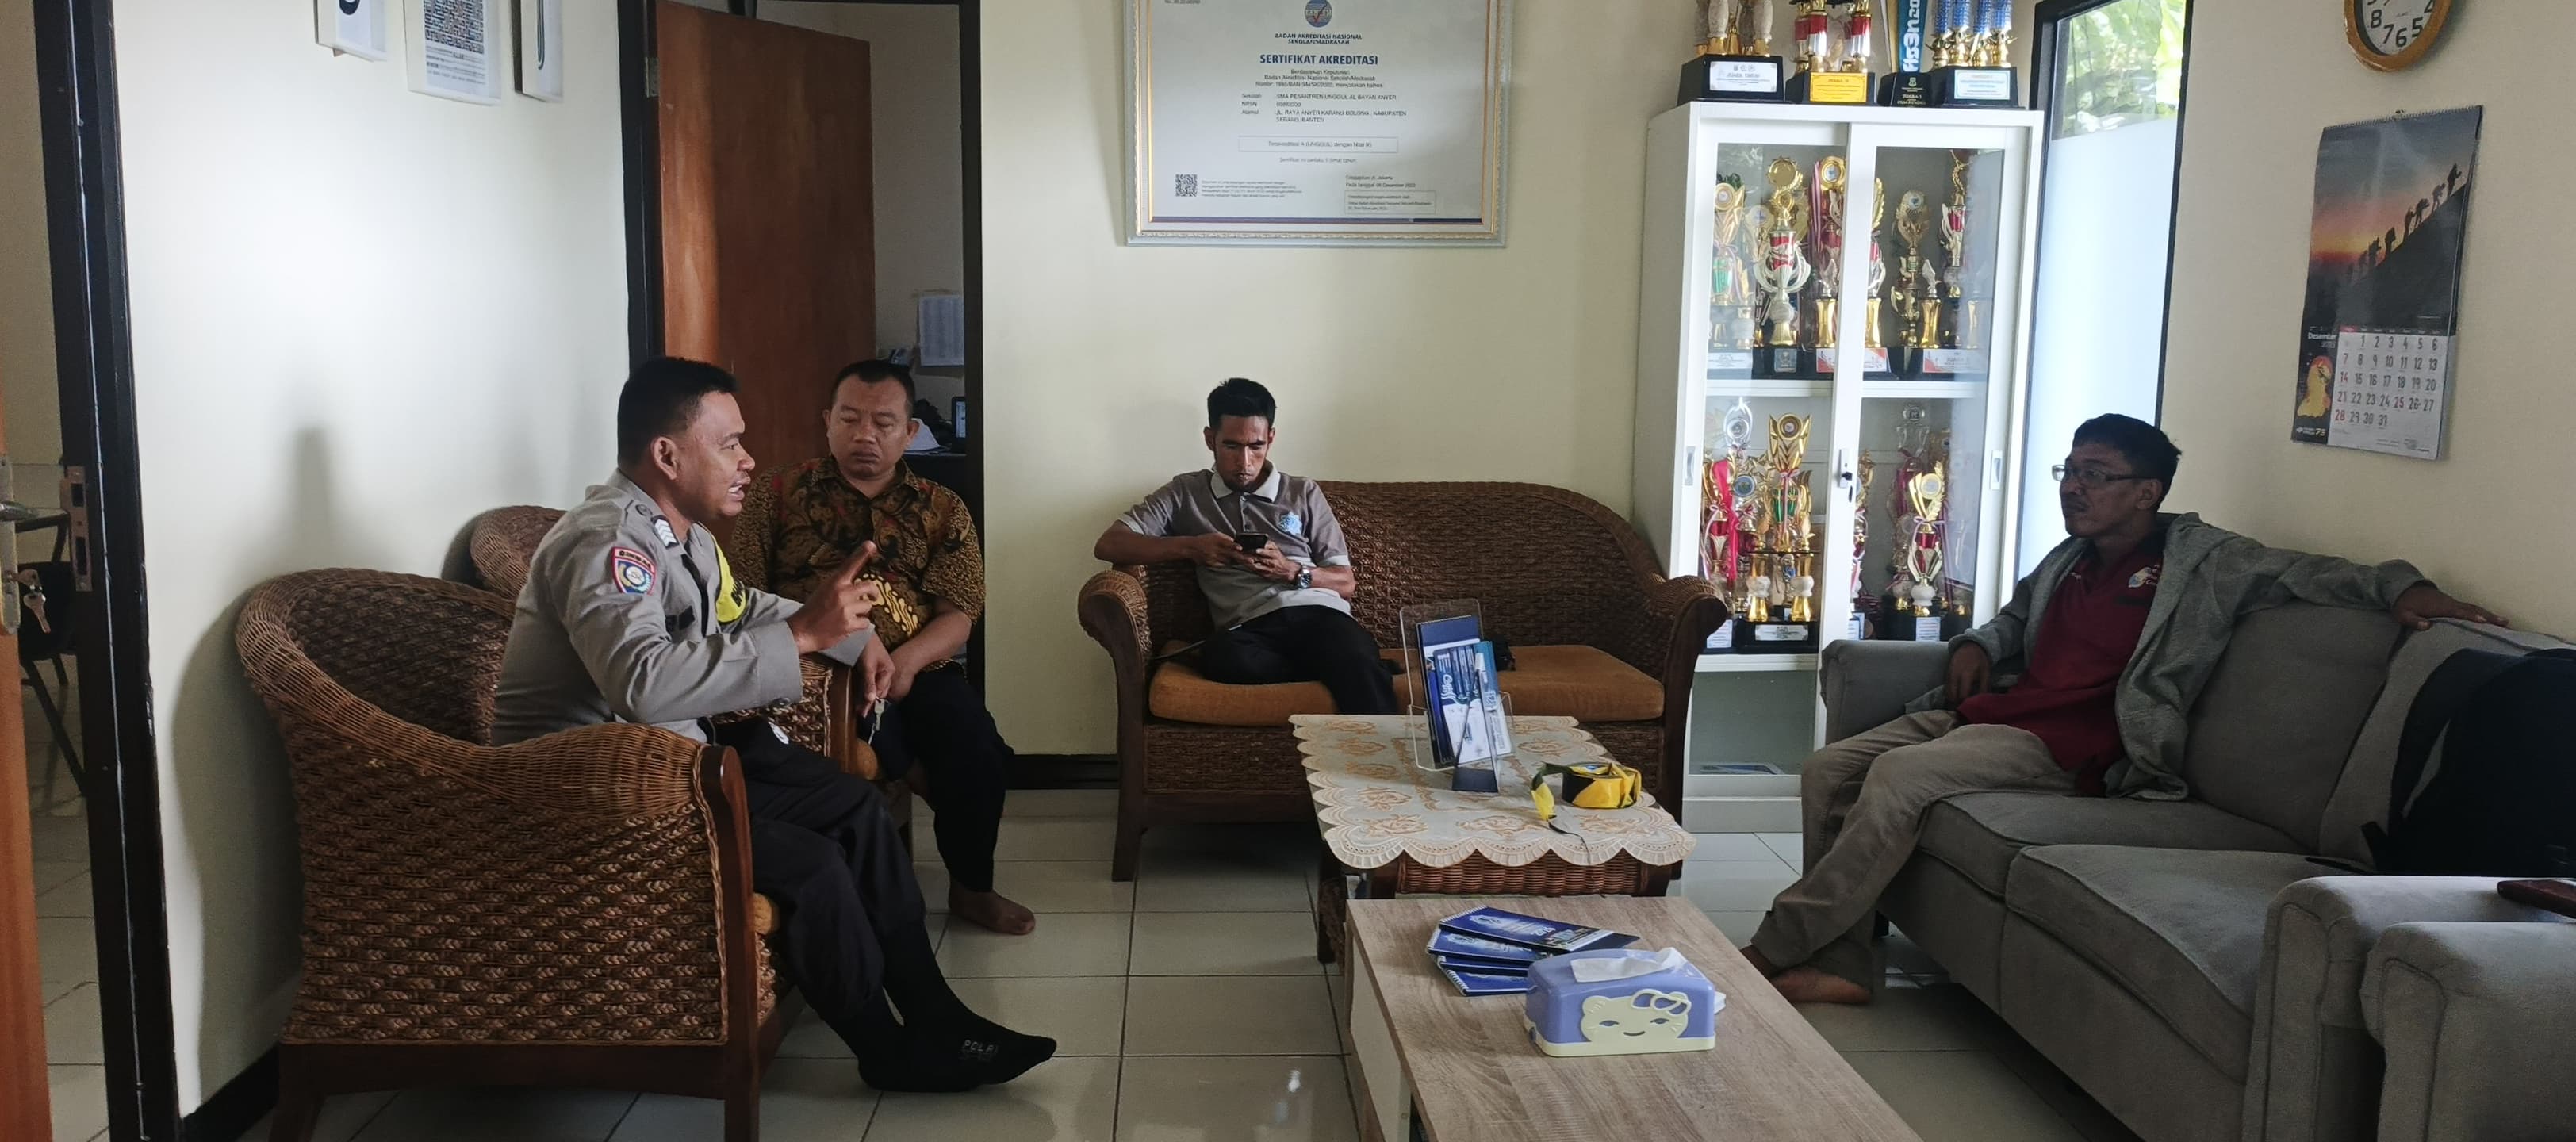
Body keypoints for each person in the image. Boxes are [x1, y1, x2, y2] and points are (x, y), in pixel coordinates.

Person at [1743, 413, 2502, 1006]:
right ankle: (1842, 963)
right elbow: (2016, 617)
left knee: (1899, 778)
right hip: (1998, 712)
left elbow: (2307, 572)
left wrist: (2405, 590)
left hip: (2068, 747)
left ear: (2148, 492)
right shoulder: (2072, 556)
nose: (2074, 488)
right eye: (2070, 471)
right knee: (1830, 769)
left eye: (2097, 476)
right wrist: (1975, 642)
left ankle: (1776, 948)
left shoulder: (2205, 562)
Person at [492, 358, 1053, 1090]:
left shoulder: (684, 534)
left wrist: (852, 637)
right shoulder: (608, 544)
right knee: (813, 864)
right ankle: (886, 1050)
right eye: (729, 443)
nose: (748, 459)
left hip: (672, 760)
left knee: (856, 809)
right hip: (593, 789)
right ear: (667, 455)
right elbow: (641, 682)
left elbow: (741, 606)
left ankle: (936, 1014)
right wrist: (803, 637)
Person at [729, 358, 1033, 937]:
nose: (865, 434)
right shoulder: (776, 493)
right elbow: (741, 594)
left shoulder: (942, 506)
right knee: (879, 732)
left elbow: (960, 613)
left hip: (920, 664)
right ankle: (914, 784)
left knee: (977, 746)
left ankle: (973, 888)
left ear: (911, 432)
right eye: (849, 419)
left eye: (884, 423)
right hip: (814, 667)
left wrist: (909, 663)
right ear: (827, 421)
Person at [1092, 377, 1399, 715]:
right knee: (1227, 660)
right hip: (1249, 628)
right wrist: (1191, 548)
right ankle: (1344, 669)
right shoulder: (1185, 494)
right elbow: (1109, 544)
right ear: (1210, 439)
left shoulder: (1302, 492)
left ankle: (1371, 718)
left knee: (1352, 652)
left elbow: (1345, 582)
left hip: (1318, 614)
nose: (1245, 463)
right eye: (1231, 446)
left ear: (1271, 438)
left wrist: (1291, 571)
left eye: (1256, 446)